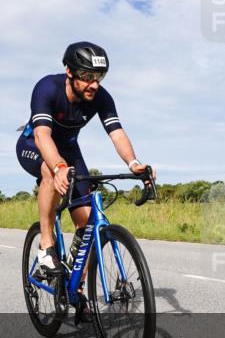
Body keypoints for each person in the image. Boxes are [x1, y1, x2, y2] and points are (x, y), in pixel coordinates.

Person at [16, 42, 153, 289]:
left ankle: (76, 288)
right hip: (34, 146)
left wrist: (134, 163)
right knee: (49, 169)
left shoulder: (101, 97)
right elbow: (42, 136)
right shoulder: (47, 87)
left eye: (99, 76)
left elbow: (116, 133)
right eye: (87, 76)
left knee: (88, 224)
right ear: (69, 71)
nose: (94, 84)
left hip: (69, 150)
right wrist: (57, 166)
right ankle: (46, 247)